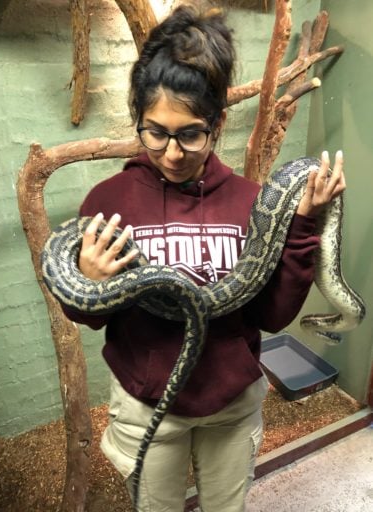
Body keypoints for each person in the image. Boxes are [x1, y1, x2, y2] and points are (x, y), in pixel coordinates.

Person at [61, 5, 346, 511]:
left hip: (231, 408)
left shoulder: (251, 201)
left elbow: (274, 316)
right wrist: (89, 281)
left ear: (216, 124)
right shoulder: (108, 203)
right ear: (139, 121)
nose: (172, 152)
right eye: (156, 132)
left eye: (190, 133)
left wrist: (305, 224)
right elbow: (87, 315)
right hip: (148, 409)